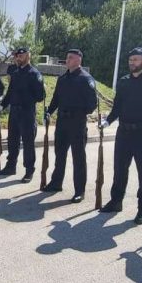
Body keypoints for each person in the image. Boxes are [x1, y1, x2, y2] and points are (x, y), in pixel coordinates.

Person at [97, 47, 142, 221]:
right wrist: (108, 121)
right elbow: (117, 107)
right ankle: (116, 201)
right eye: (131, 60)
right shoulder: (123, 82)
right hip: (124, 133)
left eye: (136, 60)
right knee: (119, 170)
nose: (132, 63)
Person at [42, 49, 98, 203]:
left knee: (78, 158)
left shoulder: (86, 79)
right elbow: (56, 100)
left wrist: (78, 113)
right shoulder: (63, 79)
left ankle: (79, 191)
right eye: (67, 58)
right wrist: (49, 112)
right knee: (60, 155)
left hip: (77, 123)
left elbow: (92, 104)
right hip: (62, 122)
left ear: (79, 60)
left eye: (70, 58)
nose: (67, 60)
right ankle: (56, 183)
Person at [0, 47, 46, 183]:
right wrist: (2, 105)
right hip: (14, 112)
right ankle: (11, 166)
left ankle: (29, 170)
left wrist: (27, 98)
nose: (18, 58)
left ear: (28, 56)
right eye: (17, 56)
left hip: (27, 112)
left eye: (21, 55)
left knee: (28, 143)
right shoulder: (16, 73)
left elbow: (40, 96)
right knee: (12, 140)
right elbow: (10, 92)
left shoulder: (34, 74)